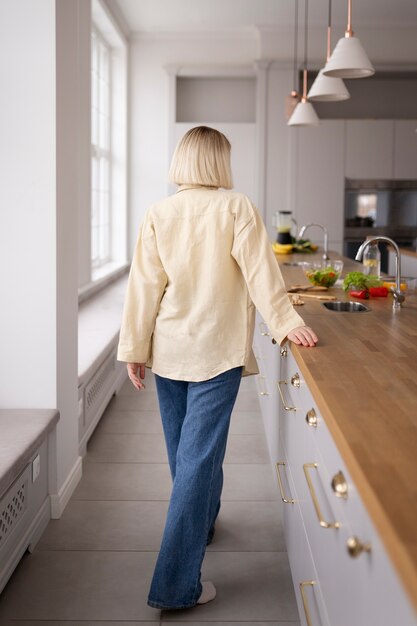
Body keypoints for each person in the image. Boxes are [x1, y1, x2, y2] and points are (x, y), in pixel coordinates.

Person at [117, 125, 318, 611]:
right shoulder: (236, 207)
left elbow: (144, 286)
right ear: (218, 162)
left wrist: (135, 349)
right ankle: (174, 586)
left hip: (168, 350)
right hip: (217, 353)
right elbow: (261, 275)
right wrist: (287, 321)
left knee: (184, 454)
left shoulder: (159, 213)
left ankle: (202, 524)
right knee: (197, 458)